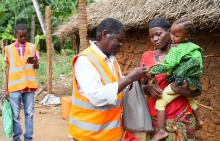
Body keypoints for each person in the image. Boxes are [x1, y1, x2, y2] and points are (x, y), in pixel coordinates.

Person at [68, 18, 147, 141]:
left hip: (110, 134)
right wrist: (129, 78)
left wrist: (137, 81)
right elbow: (97, 96)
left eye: (123, 41)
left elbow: (117, 83)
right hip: (88, 136)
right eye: (118, 40)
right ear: (104, 34)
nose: (121, 45)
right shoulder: (85, 60)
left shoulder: (111, 59)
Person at [141, 18, 201, 141]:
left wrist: (182, 90)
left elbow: (197, 90)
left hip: (182, 118)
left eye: (158, 34)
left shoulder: (184, 56)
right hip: (156, 119)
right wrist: (148, 88)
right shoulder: (147, 56)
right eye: (151, 36)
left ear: (169, 32)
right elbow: (139, 87)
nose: (155, 39)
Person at [5, 23, 39, 141]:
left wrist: (35, 61)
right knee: (15, 115)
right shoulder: (8, 49)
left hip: (29, 87)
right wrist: (6, 88)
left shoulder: (33, 47)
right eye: (21, 36)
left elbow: (36, 66)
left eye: (25, 36)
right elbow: (8, 69)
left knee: (29, 114)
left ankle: (28, 138)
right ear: (16, 35)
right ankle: (17, 138)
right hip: (14, 87)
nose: (23, 39)